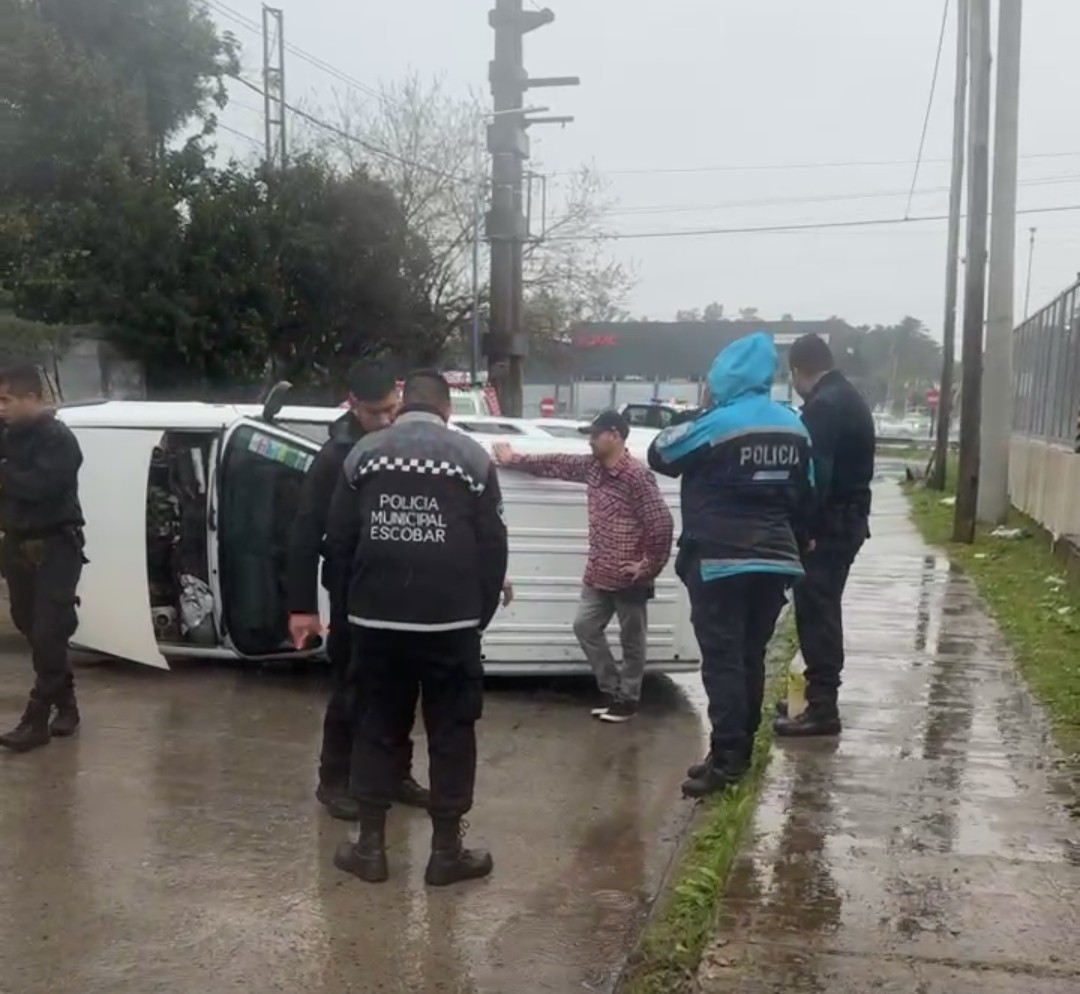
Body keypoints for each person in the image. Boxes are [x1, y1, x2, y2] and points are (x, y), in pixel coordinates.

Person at [326, 370, 508, 887]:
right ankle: (446, 852)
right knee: (452, 731)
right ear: (448, 410)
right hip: (449, 623)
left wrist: (349, 613)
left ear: (403, 405)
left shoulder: (364, 455)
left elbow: (338, 542)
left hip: (376, 623)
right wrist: (479, 614)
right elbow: (493, 545)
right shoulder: (473, 459)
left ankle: (370, 849)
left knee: (376, 726)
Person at [648, 333, 814, 797]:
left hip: (720, 558)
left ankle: (728, 761)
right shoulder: (795, 427)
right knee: (748, 656)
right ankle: (735, 750)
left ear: (722, 378)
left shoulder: (716, 424)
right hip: (776, 559)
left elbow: (660, 453)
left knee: (721, 661)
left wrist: (703, 410)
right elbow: (808, 492)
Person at [286, 360, 429, 820]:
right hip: (350, 589)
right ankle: (333, 780)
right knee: (351, 688)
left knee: (404, 686)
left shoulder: (402, 443)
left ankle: (395, 772)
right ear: (353, 405)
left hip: (399, 587)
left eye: (393, 409)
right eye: (377, 413)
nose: (387, 420)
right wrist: (302, 607)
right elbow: (305, 533)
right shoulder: (334, 458)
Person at [492, 410, 674, 723]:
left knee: (633, 640)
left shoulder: (636, 475)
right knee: (585, 627)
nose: (590, 441)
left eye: (595, 435)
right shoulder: (592, 468)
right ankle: (612, 689)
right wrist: (514, 459)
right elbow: (555, 463)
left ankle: (627, 700)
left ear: (614, 435)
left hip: (630, 576)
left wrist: (647, 567)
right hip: (599, 572)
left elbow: (661, 523)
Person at [774, 333, 875, 738]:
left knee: (818, 614)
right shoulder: (844, 396)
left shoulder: (824, 407)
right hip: (847, 520)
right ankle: (817, 696)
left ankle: (822, 709)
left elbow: (815, 477)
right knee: (821, 610)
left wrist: (807, 529)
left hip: (830, 527)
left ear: (798, 371)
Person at [0, 364, 86, 752]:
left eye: (6, 400)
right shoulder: (7, 436)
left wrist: (4, 474)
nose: (1, 408)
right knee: (30, 626)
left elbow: (41, 486)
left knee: (52, 630)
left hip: (56, 545)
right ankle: (66, 703)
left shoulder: (58, 439)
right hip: (16, 543)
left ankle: (36, 720)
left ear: (32, 398)